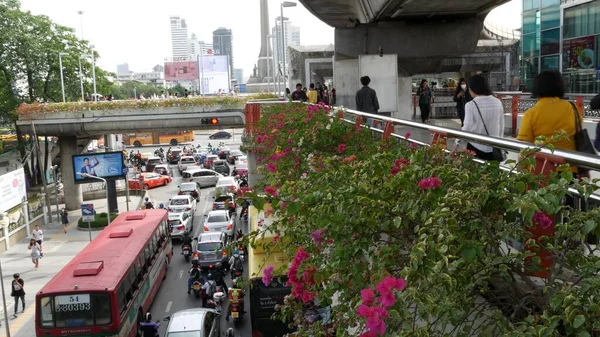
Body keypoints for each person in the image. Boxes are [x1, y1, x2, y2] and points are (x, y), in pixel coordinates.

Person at [518, 70, 584, 173]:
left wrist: (519, 173)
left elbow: (525, 149)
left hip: (541, 170)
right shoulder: (573, 108)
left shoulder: (531, 114)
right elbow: (579, 134)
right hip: (569, 169)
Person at [461, 75, 504, 161]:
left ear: (473, 88)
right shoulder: (497, 102)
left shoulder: (470, 105)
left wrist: (457, 142)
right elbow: (501, 126)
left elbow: (467, 128)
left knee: (475, 172)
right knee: (492, 172)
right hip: (494, 148)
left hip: (476, 147)